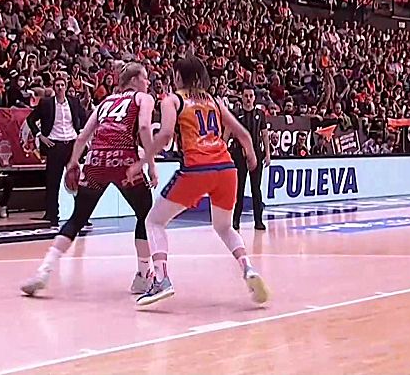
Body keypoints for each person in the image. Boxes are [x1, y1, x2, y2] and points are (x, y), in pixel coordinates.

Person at [126, 56, 269, 307]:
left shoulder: (173, 100)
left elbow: (166, 134)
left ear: (178, 76)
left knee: (154, 221)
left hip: (197, 168)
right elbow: (243, 134)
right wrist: (251, 155)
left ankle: (161, 279)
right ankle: (248, 268)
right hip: (226, 169)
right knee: (225, 227)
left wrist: (143, 161)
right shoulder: (214, 100)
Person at [21, 63, 158, 296]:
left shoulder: (105, 102)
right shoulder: (143, 98)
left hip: (96, 160)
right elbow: (144, 127)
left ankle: (44, 271)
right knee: (145, 214)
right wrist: (151, 164)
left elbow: (83, 136)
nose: (148, 83)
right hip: (124, 161)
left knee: (77, 218)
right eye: (145, 78)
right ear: (134, 80)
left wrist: (74, 162)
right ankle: (144, 276)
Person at [26, 77, 88, 226]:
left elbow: (84, 118)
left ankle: (82, 216)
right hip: (55, 145)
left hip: (71, 144)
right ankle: (52, 214)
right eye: (57, 85)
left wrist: (81, 135)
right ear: (54, 88)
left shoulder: (74, 102)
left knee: (76, 181)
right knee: (52, 182)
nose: (60, 87)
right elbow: (30, 120)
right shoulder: (46, 103)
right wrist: (40, 136)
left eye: (62, 85)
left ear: (66, 87)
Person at [228, 86, 270, 231]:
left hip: (256, 153)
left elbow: (265, 135)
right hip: (239, 153)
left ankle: (258, 221)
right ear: (242, 97)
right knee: (239, 188)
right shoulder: (236, 113)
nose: (248, 99)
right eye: (246, 96)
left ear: (254, 98)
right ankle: (235, 220)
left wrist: (268, 154)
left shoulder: (260, 114)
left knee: (256, 188)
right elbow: (228, 132)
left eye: (251, 96)